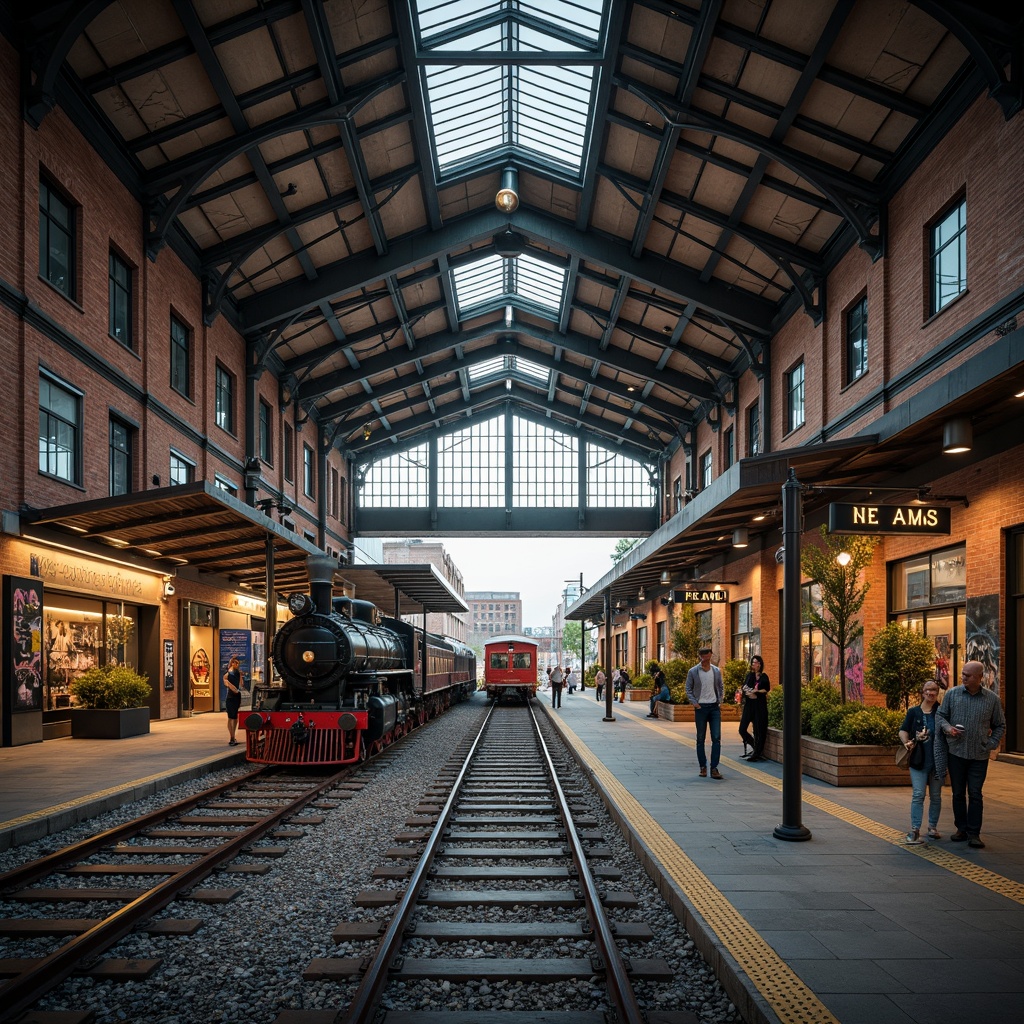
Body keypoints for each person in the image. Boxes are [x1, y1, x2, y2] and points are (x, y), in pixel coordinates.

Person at [936, 660, 1005, 848]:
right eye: (963, 674)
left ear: (979, 677)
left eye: (968, 675)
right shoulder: (952, 694)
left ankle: (974, 833)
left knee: (975, 793)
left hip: (979, 756)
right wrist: (948, 728)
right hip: (956, 752)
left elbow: (1000, 725)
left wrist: (991, 743)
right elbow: (940, 716)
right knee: (958, 793)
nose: (963, 677)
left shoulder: (992, 699)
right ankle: (961, 829)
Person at [899, 680, 946, 844]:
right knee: (918, 794)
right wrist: (908, 742)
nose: (931, 693)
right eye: (928, 690)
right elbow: (903, 730)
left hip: (938, 761)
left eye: (934, 690)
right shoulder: (914, 712)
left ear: (937, 692)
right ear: (922, 692)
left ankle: (932, 827)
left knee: (936, 796)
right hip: (919, 760)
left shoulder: (942, 712)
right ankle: (915, 829)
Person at [685, 646, 724, 779]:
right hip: (701, 708)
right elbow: (688, 688)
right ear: (699, 656)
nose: (705, 658)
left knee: (716, 738)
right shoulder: (693, 671)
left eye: (707, 655)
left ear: (710, 655)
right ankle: (703, 766)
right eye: (702, 656)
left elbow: (720, 686)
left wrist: (720, 700)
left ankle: (714, 768)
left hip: (714, 708)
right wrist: (694, 703)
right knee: (700, 739)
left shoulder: (716, 671)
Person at [739, 655, 771, 761]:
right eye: (752, 662)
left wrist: (756, 692)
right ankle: (754, 746)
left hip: (759, 705)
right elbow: (744, 687)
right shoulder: (750, 676)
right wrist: (748, 693)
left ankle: (757, 753)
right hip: (749, 705)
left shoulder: (764, 677)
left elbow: (766, 689)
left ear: (760, 664)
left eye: (756, 662)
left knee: (758, 730)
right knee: (742, 729)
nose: (754, 664)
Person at [223, 657, 244, 746]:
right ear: (232, 663)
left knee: (235, 717)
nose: (237, 665)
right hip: (231, 697)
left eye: (238, 663)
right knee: (231, 717)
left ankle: (233, 735)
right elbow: (227, 683)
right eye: (236, 663)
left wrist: (241, 677)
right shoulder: (227, 675)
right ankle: (232, 736)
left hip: (236, 697)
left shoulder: (238, 673)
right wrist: (234, 688)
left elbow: (241, 684)